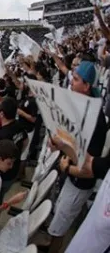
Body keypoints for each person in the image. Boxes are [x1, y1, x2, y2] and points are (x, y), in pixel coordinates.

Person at [45, 61, 109, 253]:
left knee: (58, 227)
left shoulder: (94, 118)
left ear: (87, 86)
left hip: (79, 182)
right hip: (71, 175)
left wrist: (66, 167)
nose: (71, 83)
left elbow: (89, 167)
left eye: (76, 79)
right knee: (60, 219)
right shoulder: (80, 108)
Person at [0, 97, 27, 215]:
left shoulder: (0, 136)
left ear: (2, 113)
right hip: (13, 172)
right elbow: (25, 141)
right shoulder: (18, 125)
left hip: (2, 176)